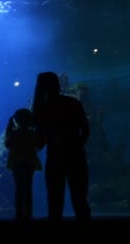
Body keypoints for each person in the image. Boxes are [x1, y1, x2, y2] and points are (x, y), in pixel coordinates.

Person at [32, 72, 91, 222]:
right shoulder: (73, 103)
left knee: (55, 200)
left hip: (55, 157)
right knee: (80, 199)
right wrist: (77, 144)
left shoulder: (41, 110)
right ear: (58, 85)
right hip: (76, 155)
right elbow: (86, 130)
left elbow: (39, 143)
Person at [4, 108, 44, 221]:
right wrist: (38, 128)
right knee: (28, 188)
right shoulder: (31, 134)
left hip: (17, 164)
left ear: (16, 120)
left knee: (19, 189)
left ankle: (19, 214)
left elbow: (7, 144)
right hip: (29, 164)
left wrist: (9, 128)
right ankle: (28, 214)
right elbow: (39, 145)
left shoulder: (14, 134)